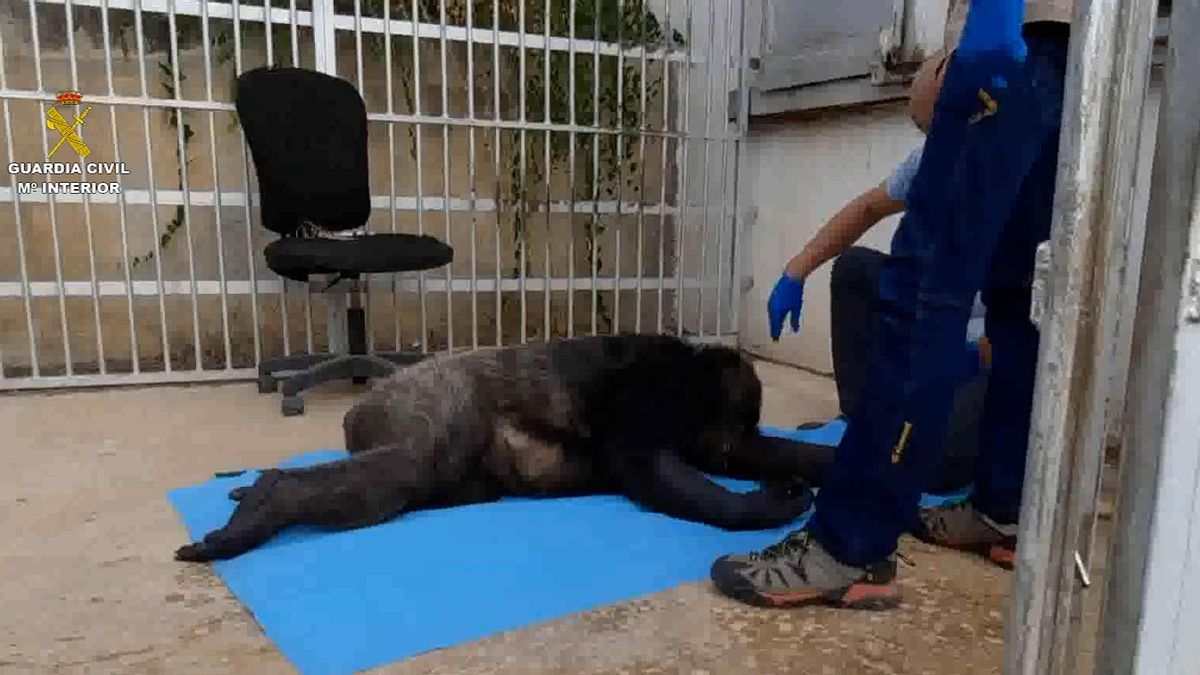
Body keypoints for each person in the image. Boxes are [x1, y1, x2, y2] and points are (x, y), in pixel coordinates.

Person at [710, 0, 1073, 609]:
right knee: (1019, 300)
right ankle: (1002, 509)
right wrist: (798, 269)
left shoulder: (987, 71)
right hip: (1076, 54)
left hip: (1021, 40)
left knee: (921, 293)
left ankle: (848, 545)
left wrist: (992, 20)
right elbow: (867, 208)